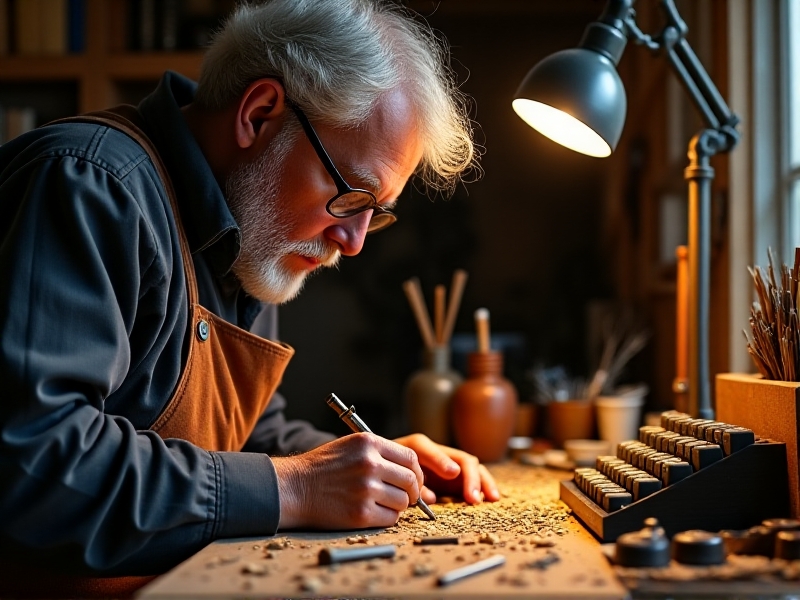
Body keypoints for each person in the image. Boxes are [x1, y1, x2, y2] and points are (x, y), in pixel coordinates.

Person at [0, 0, 497, 593]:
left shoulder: (246, 233)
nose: (354, 241)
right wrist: (297, 487)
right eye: (350, 195)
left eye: (375, 213)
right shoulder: (89, 185)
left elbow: (254, 436)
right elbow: (37, 466)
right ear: (260, 114)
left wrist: (372, 466)